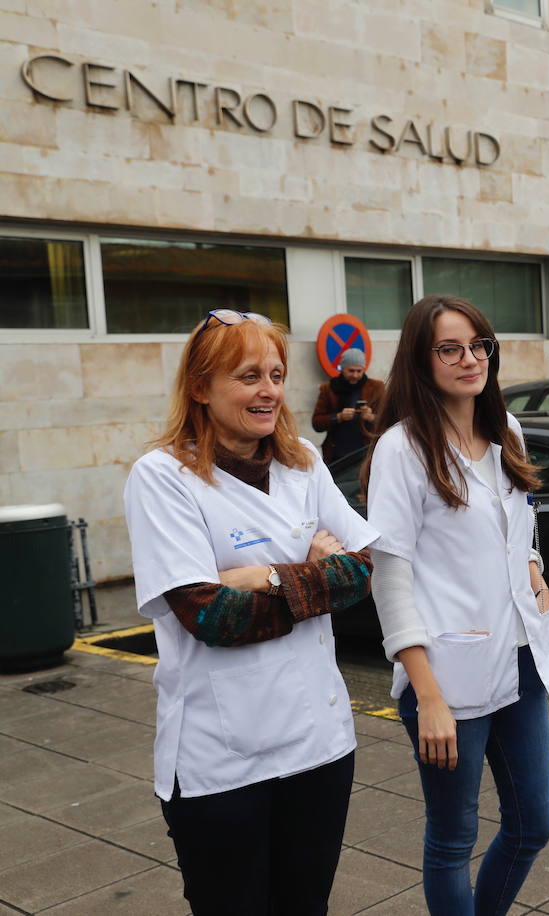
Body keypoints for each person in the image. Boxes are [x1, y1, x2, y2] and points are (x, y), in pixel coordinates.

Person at [122, 309, 378, 915]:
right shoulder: (163, 478)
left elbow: (365, 569)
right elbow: (214, 619)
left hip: (320, 746)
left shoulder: (304, 465)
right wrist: (320, 576)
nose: (268, 391)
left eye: (276, 374)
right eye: (247, 376)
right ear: (200, 388)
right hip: (222, 763)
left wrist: (263, 577)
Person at [364, 294, 549, 915]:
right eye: (450, 349)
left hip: (522, 654)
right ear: (421, 361)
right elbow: (389, 576)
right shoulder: (403, 448)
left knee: (534, 822)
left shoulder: (505, 430)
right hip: (447, 674)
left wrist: (531, 565)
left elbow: (517, 521)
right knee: (453, 838)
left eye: (479, 346)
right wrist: (426, 697)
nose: (470, 359)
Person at [312, 346, 384, 463]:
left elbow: (389, 421)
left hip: (366, 453)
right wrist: (338, 417)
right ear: (342, 369)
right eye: (351, 371)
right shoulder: (328, 388)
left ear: (364, 369)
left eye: (359, 371)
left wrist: (371, 417)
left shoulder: (376, 388)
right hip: (337, 454)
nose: (355, 375)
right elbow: (316, 423)